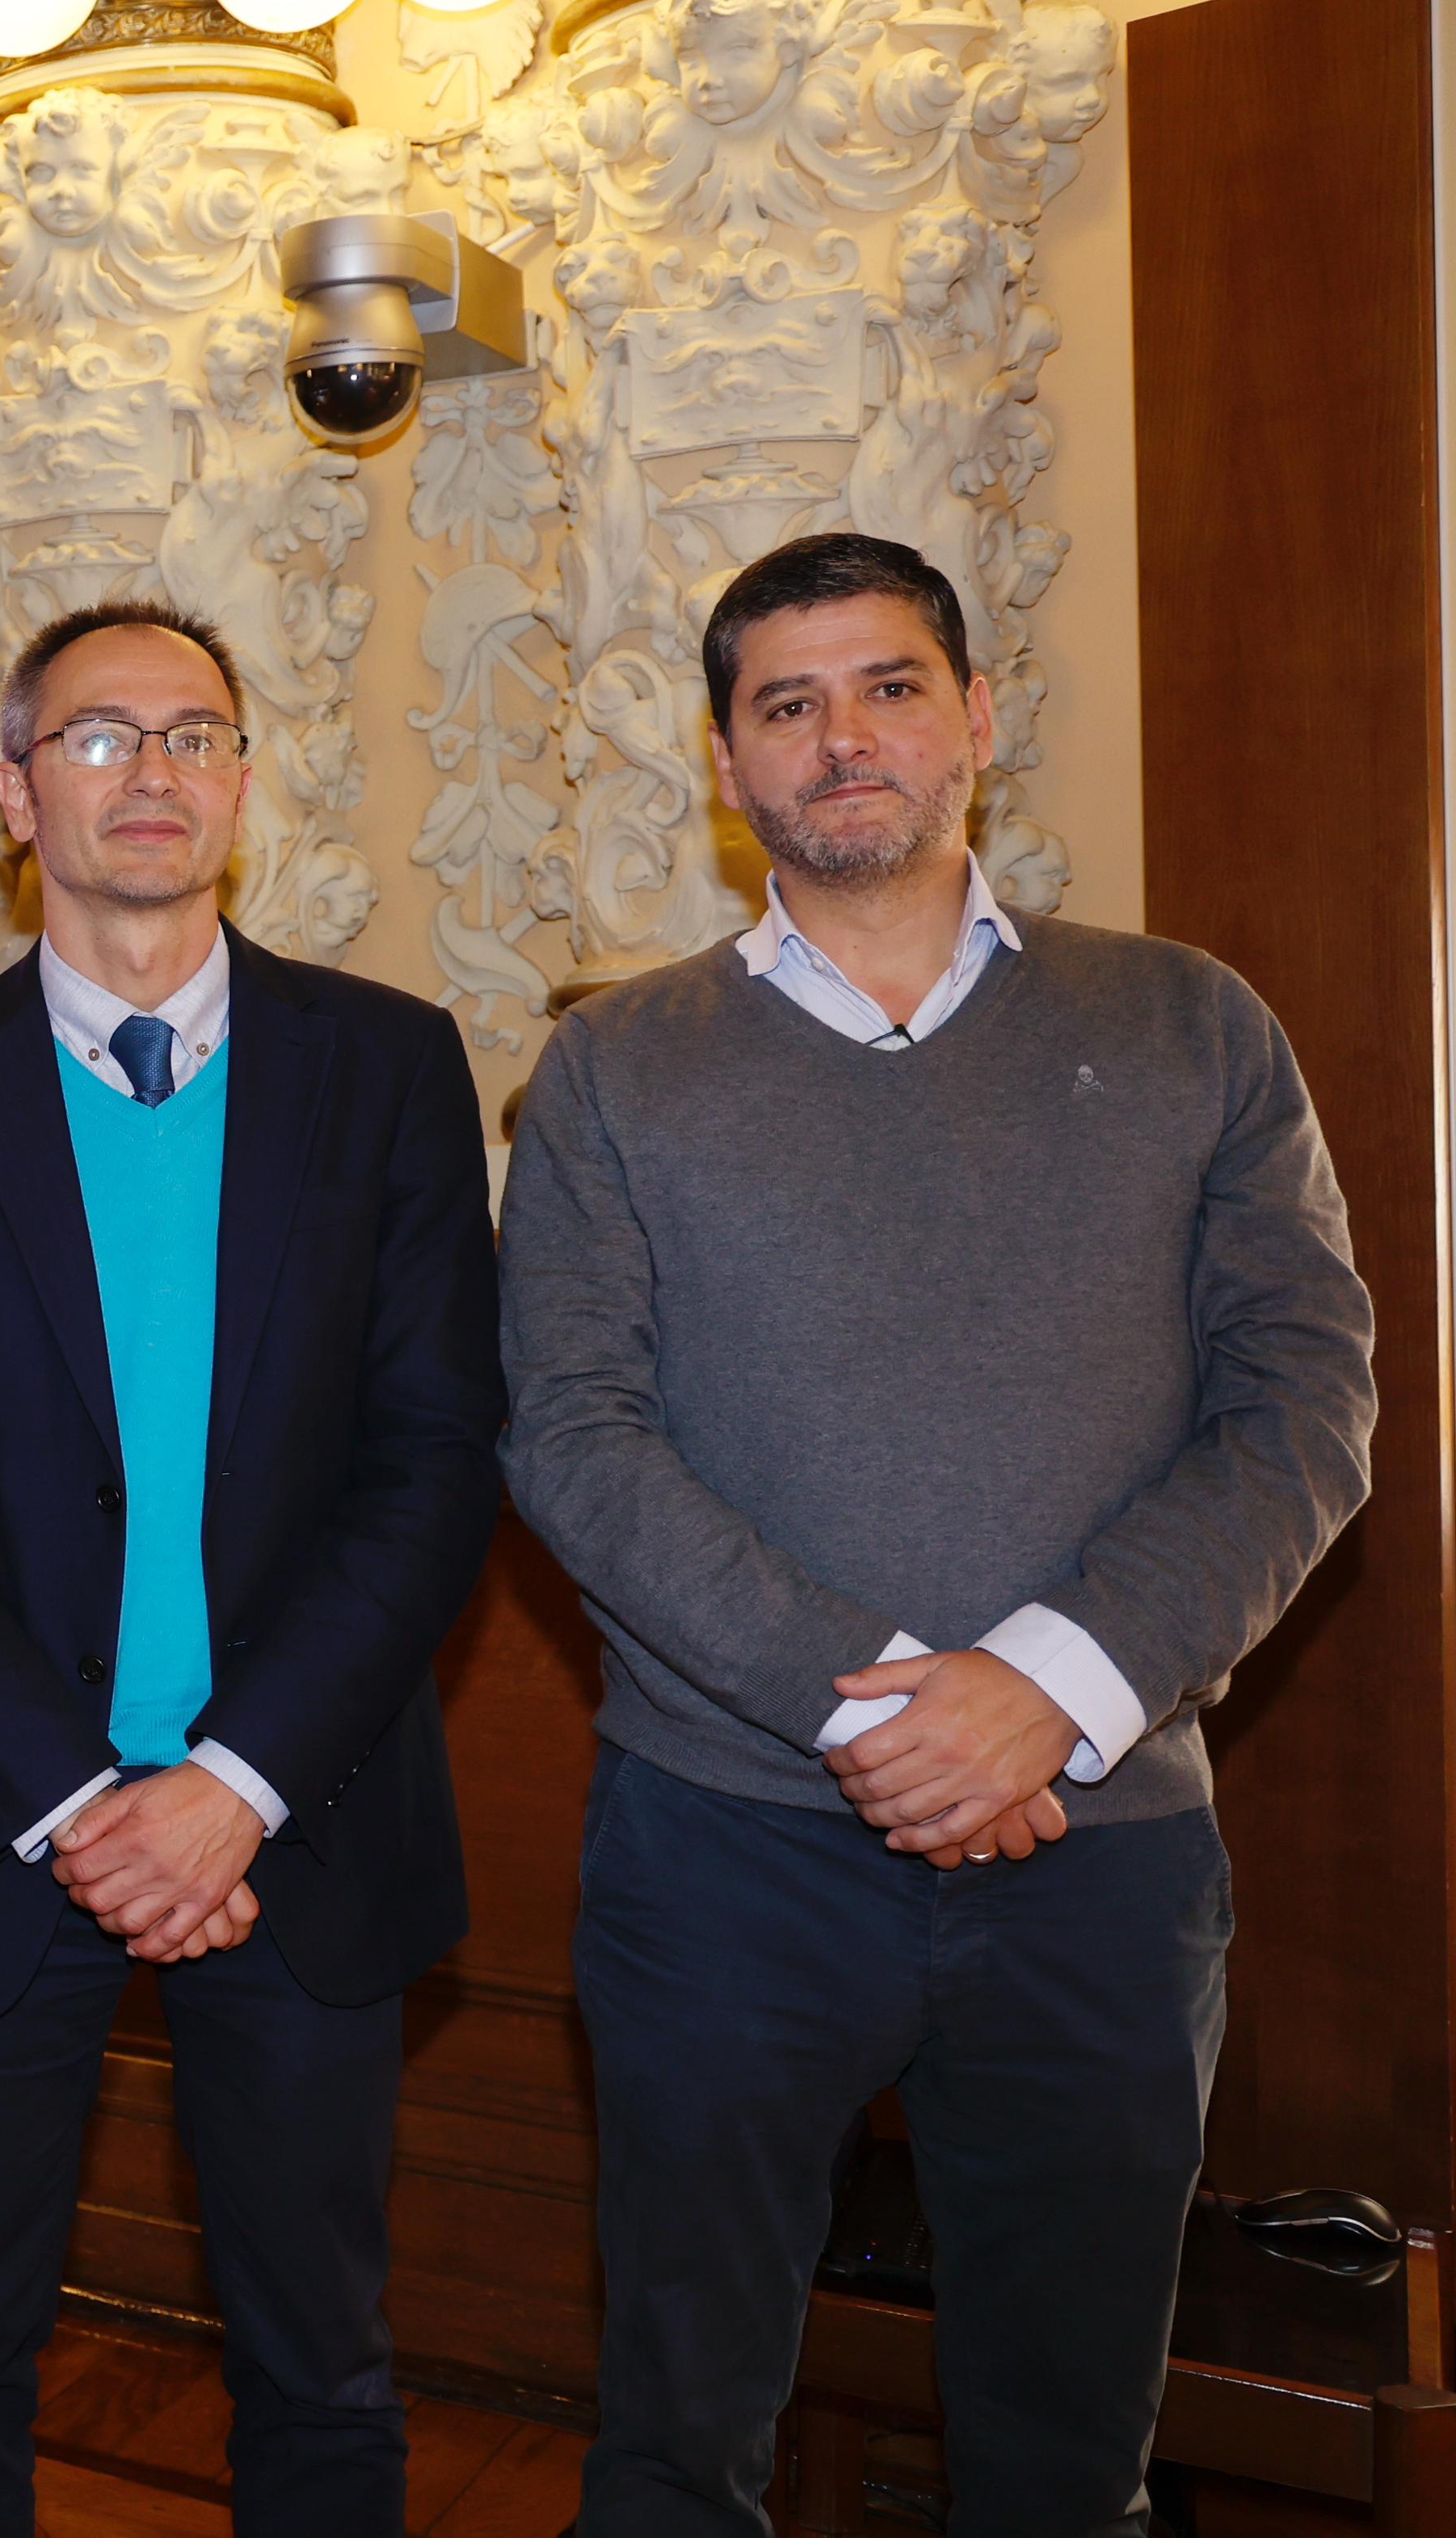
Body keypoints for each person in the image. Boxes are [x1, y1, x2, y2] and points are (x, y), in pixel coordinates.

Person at [502, 531, 1376, 2533]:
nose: (844, 737)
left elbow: (1303, 1404)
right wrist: (889, 1707)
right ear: (726, 760)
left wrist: (1044, 1688)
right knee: (673, 2443)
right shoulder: (614, 1066)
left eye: (889, 685)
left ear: (976, 715)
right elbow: (569, 1434)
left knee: (1067, 2458)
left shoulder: (1190, 1023)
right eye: (786, 704)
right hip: (723, 1847)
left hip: (1102, 1844)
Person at [0, 599, 502, 2535]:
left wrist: (229, 1784)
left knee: (323, 2366)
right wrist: (82, 1801)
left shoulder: (387, 1066)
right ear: (16, 792)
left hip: (299, 1821)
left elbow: (436, 1465)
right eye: (99, 736)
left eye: (194, 734)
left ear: (244, 786)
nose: (153, 770)